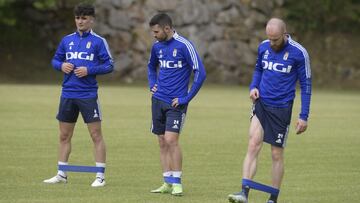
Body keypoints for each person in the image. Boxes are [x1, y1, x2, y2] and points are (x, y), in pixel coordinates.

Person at [228, 18, 312, 203]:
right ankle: (244, 193)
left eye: (275, 39)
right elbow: (258, 69)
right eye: (269, 38)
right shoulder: (264, 47)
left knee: (276, 153)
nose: (272, 43)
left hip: (282, 108)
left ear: (284, 34)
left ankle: (272, 199)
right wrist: (253, 87)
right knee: (253, 144)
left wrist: (303, 116)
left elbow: (306, 85)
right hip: (262, 103)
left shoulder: (299, 53)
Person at [43, 3, 114, 187]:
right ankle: (61, 174)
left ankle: (100, 176)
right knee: (64, 136)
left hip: (88, 95)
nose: (80, 21)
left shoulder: (99, 41)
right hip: (67, 93)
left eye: (84, 18)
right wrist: (61, 66)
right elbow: (55, 59)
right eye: (77, 18)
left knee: (96, 135)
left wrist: (89, 70)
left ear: (92, 20)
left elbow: (109, 65)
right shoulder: (67, 40)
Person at [147, 13, 206, 196]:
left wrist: (186, 98)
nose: (154, 35)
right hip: (158, 100)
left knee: (172, 140)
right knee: (162, 141)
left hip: (176, 103)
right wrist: (152, 84)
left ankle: (177, 183)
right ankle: (167, 182)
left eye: (156, 31)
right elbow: (151, 67)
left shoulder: (184, 45)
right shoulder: (157, 47)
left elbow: (200, 73)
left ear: (167, 28)